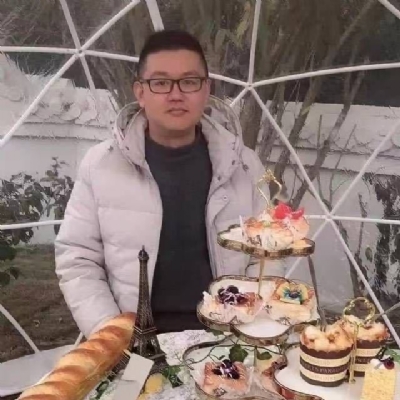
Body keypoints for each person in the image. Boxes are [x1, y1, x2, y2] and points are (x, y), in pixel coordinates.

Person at [55, 30, 280, 338]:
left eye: (189, 81)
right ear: (140, 92)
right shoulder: (102, 165)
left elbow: (265, 256)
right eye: (160, 83)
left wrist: (245, 327)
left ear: (206, 89)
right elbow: (78, 259)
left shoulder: (243, 164)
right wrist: (110, 334)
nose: (176, 94)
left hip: (226, 339)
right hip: (133, 342)